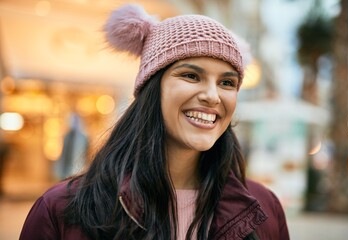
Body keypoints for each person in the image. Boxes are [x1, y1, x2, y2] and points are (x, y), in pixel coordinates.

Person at [20, 4, 289, 240]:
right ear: (152, 87)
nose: (212, 96)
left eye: (227, 82)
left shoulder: (265, 209)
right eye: (191, 76)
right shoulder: (60, 209)